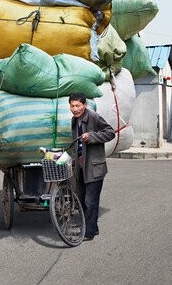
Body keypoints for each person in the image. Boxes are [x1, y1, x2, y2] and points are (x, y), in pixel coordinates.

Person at [69, 92, 115, 241]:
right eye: (72, 106)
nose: (75, 109)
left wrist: (92, 136)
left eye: (78, 106)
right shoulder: (74, 120)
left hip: (95, 167)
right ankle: (92, 228)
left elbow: (110, 133)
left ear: (85, 105)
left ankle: (88, 232)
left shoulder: (94, 117)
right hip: (81, 167)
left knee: (90, 201)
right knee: (81, 199)